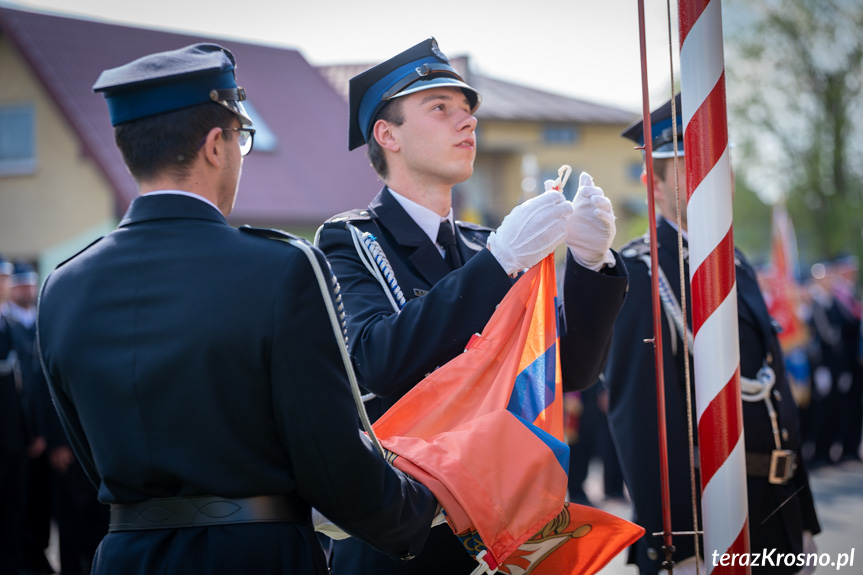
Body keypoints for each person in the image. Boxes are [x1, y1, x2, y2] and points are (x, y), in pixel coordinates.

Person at [36, 43, 438, 575]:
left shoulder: (62, 286)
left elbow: (92, 457)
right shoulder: (280, 269)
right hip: (256, 556)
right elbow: (329, 453)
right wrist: (423, 508)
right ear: (214, 145)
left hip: (127, 557)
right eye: (240, 139)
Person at [315, 37, 629, 574]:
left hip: (498, 533)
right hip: (401, 539)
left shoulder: (488, 245)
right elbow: (375, 359)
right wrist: (501, 260)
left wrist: (591, 264)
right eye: (440, 108)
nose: (467, 123)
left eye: (469, 112)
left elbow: (566, 371)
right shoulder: (350, 240)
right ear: (386, 134)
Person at [604, 94, 821, 574]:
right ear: (652, 183)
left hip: (773, 512)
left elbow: (774, 389)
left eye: (718, 158)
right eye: (687, 163)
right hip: (704, 527)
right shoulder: (642, 272)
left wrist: (801, 516)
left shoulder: (735, 261)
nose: (711, 173)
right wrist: (676, 544)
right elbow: (640, 421)